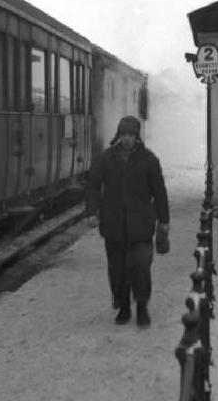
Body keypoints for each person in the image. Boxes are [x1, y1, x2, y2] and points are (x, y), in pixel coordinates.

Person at [85, 115, 170, 327]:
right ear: (118, 136)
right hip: (113, 224)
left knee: (141, 266)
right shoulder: (106, 159)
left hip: (141, 224)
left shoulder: (149, 160)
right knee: (118, 269)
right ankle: (123, 306)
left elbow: (159, 191)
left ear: (137, 136)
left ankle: (142, 307)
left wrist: (164, 220)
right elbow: (93, 185)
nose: (127, 139)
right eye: (124, 135)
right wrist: (92, 211)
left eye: (131, 135)